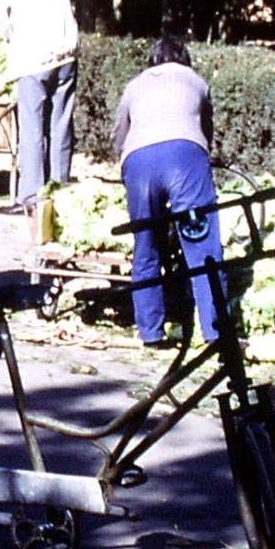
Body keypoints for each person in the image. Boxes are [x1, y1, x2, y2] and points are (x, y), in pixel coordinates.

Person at [111, 34, 221, 347]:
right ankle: (215, 330)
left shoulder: (135, 85)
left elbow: (120, 133)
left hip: (139, 160)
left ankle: (151, 333)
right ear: (184, 57)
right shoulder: (195, 81)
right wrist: (206, 153)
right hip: (185, 155)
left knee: (146, 245)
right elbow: (206, 128)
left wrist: (124, 163)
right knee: (203, 247)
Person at [0, 0, 80, 215]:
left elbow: (4, 26)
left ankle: (30, 198)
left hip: (32, 60)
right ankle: (58, 191)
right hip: (66, 54)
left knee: (32, 128)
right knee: (61, 124)